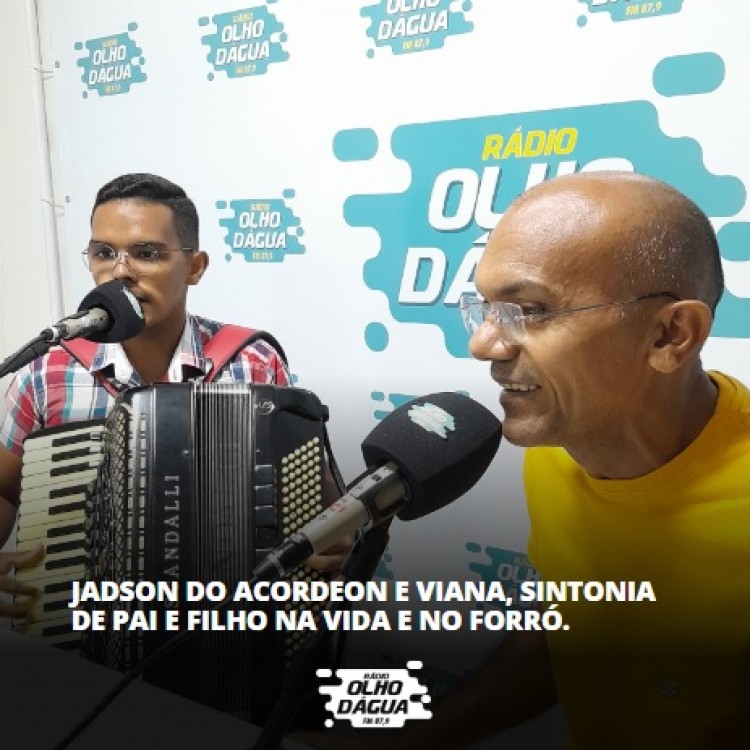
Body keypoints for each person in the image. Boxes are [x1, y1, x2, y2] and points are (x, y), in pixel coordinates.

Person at [301, 172, 750, 749]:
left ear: (669, 335)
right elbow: (567, 633)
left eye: (532, 310)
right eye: (486, 309)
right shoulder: (557, 453)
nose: (483, 345)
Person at [0, 172, 344, 617]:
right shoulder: (47, 372)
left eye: (146, 253)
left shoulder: (252, 363)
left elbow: (321, 503)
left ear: (195, 267)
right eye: (104, 253)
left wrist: (334, 540)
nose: (120, 271)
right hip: (80, 626)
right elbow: (5, 492)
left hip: (225, 630)